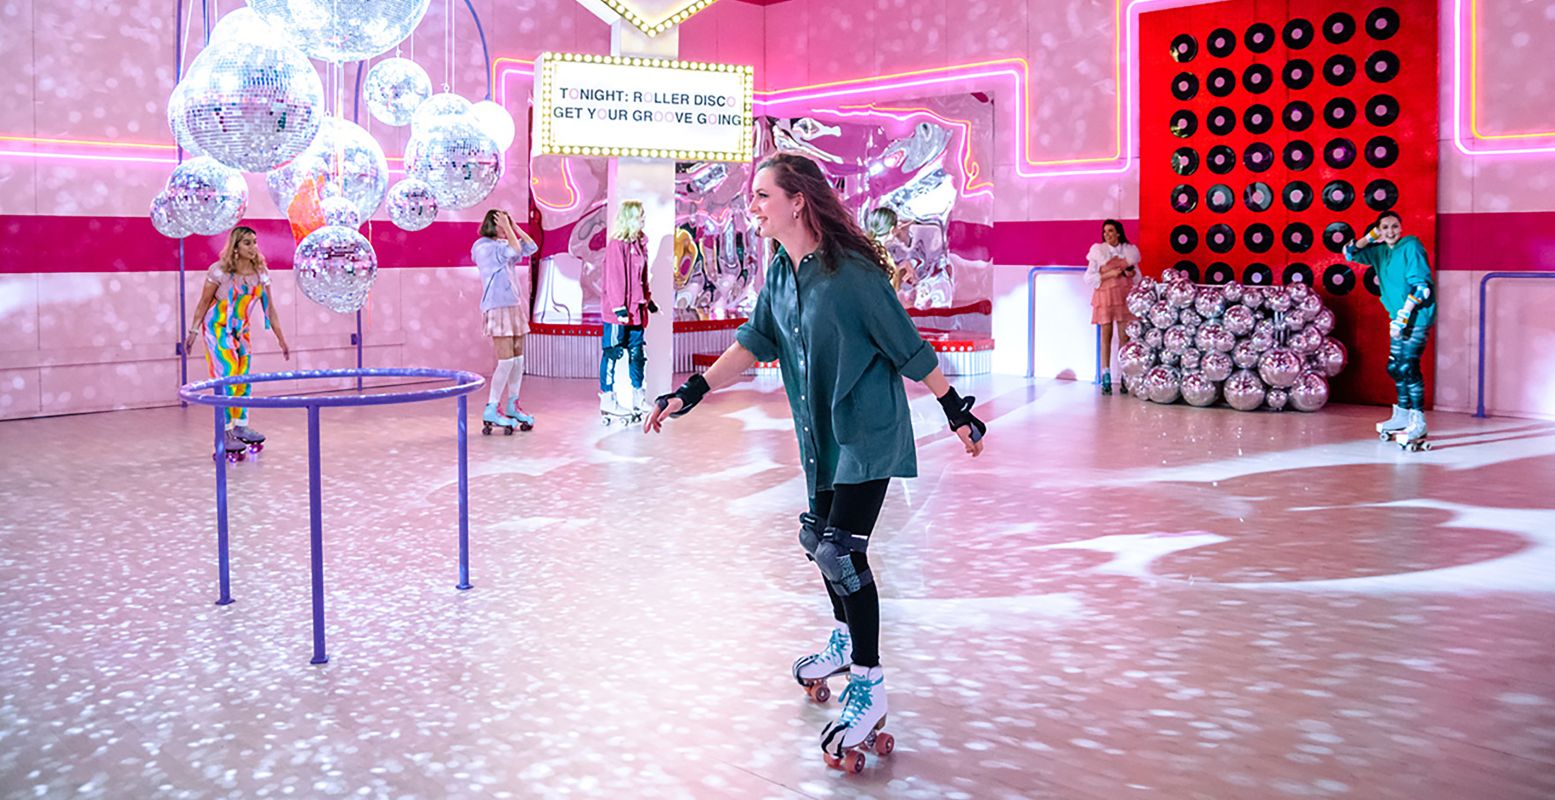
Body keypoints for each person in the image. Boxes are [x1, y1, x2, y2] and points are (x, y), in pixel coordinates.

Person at [643, 152, 987, 765]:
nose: (752, 206)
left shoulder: (851, 274)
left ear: (797, 200)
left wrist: (955, 408)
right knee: (818, 540)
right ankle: (845, 635)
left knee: (843, 552)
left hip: (867, 432)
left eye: (762, 195)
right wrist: (690, 391)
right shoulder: (779, 271)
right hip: (820, 438)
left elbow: (907, 346)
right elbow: (756, 341)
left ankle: (869, 685)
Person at [184, 226, 291, 454]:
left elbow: (269, 309)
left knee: (243, 377)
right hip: (217, 327)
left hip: (240, 330)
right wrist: (192, 331)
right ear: (236, 247)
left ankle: (241, 426)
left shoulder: (260, 273)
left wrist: (281, 339)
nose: (253, 248)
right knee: (228, 373)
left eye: (255, 242)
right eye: (247, 243)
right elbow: (203, 303)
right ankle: (224, 431)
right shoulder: (220, 272)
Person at [1344, 210, 1436, 441]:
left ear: (1401, 227)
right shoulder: (1380, 252)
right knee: (1395, 367)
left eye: (1394, 226)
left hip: (1415, 317)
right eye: (1384, 228)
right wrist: (1371, 236)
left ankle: (1418, 420)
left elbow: (1421, 288)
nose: (1391, 231)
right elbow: (1349, 252)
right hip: (1396, 318)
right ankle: (1402, 415)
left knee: (1408, 367)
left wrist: (1403, 316)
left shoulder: (1411, 245)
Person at [473, 208, 539, 431]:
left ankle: (513, 403)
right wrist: (509, 230)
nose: (507, 229)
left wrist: (515, 226)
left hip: (513, 305)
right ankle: (492, 406)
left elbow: (531, 247)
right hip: (497, 307)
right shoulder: (483, 247)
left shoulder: (503, 244)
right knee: (506, 361)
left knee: (518, 360)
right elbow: (514, 250)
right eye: (503, 224)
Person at [599, 200, 656, 417]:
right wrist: (619, 308)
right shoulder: (617, 245)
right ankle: (608, 399)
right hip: (618, 314)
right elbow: (615, 278)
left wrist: (648, 300)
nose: (643, 219)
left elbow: (641, 278)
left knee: (637, 353)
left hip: (636, 310)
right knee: (612, 353)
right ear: (630, 218)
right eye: (640, 215)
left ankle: (638, 397)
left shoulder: (640, 244)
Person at [1083, 219, 1140, 395]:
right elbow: (1089, 277)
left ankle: (1124, 375)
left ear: (1118, 233)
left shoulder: (1129, 252)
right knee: (1106, 337)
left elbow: (1137, 275)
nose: (1107, 234)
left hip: (1123, 295)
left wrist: (1131, 273)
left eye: (1110, 231)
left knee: (1124, 338)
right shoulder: (1097, 252)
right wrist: (1109, 274)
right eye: (1105, 231)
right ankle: (1105, 374)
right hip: (1105, 296)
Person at [864, 207, 912, 293]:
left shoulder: (866, 248)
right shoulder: (883, 257)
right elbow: (892, 289)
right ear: (892, 230)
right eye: (897, 225)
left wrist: (903, 265)